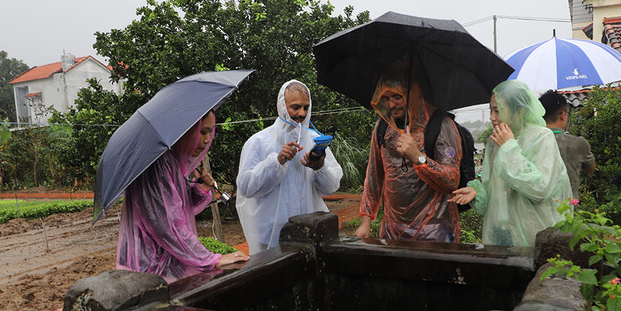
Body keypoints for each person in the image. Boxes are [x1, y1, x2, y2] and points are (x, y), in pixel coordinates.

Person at [117, 109, 250, 283]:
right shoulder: (157, 164)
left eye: (210, 132)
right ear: (185, 129)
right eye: (202, 132)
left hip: (166, 266)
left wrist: (199, 190)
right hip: (151, 270)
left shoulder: (172, 161)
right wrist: (211, 259)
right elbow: (166, 225)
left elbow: (177, 206)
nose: (207, 140)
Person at [449, 80, 572, 247]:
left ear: (520, 111)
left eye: (497, 110)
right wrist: (478, 192)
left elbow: (540, 188)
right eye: (490, 110)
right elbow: (496, 189)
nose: (492, 117)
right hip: (503, 233)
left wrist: (509, 146)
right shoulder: (495, 141)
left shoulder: (542, 137)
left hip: (536, 233)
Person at [353, 63, 462, 242]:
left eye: (397, 97)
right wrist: (366, 222)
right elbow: (374, 176)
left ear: (414, 94)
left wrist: (418, 157)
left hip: (435, 231)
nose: (391, 104)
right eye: (386, 98)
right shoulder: (383, 127)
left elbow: (452, 180)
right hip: (392, 229)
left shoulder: (440, 125)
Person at [236, 80, 343, 254]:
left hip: (310, 234)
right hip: (271, 238)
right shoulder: (259, 142)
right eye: (295, 107)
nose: (302, 113)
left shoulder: (315, 139)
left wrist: (319, 165)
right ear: (282, 106)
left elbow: (332, 187)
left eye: (306, 107)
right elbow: (246, 187)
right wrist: (276, 162)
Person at [538, 90, 595, 199]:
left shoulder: (531, 141)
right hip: (569, 210)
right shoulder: (579, 143)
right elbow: (590, 169)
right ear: (563, 115)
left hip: (539, 212)